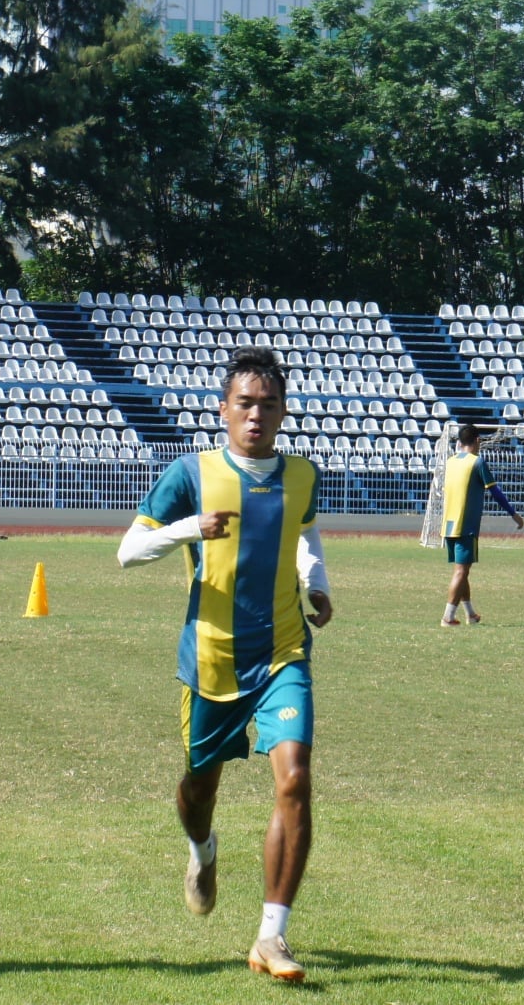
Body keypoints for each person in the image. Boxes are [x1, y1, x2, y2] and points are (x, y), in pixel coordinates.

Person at [117, 346, 332, 984]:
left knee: (294, 777)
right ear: (224, 409)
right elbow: (128, 552)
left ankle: (271, 935)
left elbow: (305, 534)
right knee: (198, 789)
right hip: (211, 660)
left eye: (269, 404)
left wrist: (315, 582)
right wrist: (190, 529)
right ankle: (202, 849)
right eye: (245, 403)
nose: (257, 415)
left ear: (284, 410)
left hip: (283, 652)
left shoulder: (301, 475)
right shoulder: (191, 472)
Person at [439, 423, 524, 625]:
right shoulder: (477, 463)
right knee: (461, 571)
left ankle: (470, 614)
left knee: (462, 570)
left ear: (460, 442)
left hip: (449, 524)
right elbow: (495, 492)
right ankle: (448, 616)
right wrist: (513, 513)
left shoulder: (451, 462)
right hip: (465, 524)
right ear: (478, 440)